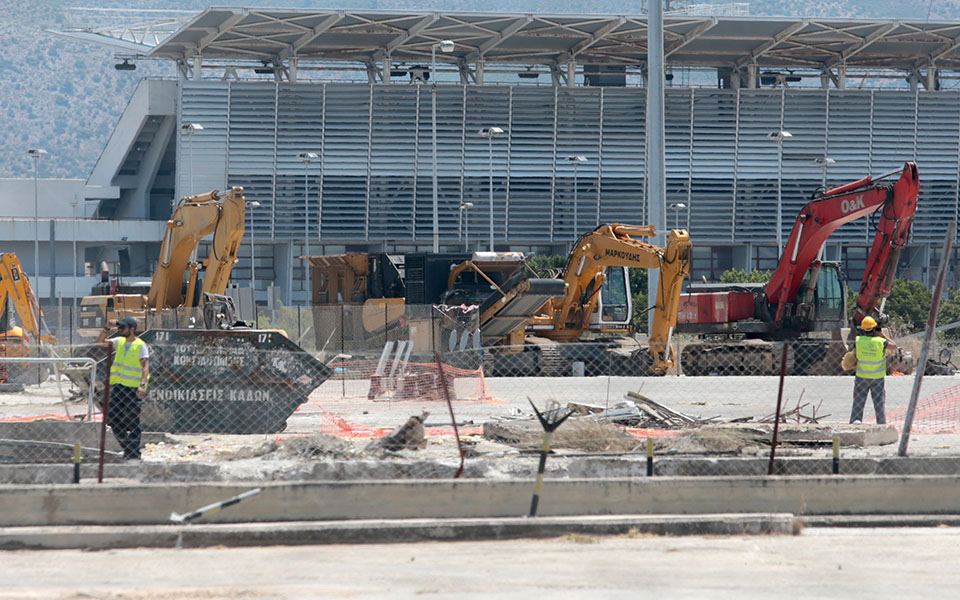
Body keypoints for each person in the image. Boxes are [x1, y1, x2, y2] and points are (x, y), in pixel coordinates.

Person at [97, 317, 150, 460]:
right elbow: (101, 342)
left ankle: (133, 454)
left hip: (133, 389)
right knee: (113, 419)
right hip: (119, 388)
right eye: (119, 328)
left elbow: (145, 366)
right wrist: (107, 328)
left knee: (132, 421)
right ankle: (129, 449)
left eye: (122, 328)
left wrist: (142, 385)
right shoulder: (119, 342)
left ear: (131, 329)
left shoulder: (140, 345)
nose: (119, 330)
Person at [850, 315, 896, 425]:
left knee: (858, 402)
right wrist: (883, 334)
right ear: (874, 328)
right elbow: (894, 346)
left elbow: (853, 355)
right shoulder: (881, 342)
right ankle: (881, 424)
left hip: (862, 377)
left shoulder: (858, 341)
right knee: (879, 403)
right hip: (877, 378)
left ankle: (855, 423)